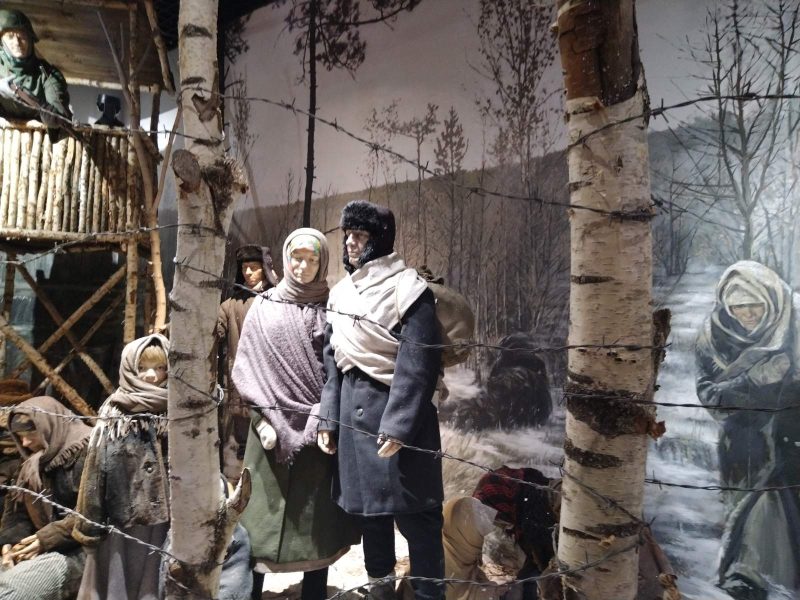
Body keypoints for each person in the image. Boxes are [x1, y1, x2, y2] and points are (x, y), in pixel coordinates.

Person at [317, 200, 444, 600]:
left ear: (380, 239)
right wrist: (328, 418)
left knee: (419, 522)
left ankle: (429, 595)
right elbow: (333, 364)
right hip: (355, 426)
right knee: (373, 520)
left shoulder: (408, 288)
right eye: (347, 235)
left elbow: (418, 361)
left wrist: (399, 425)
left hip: (402, 424)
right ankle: (380, 592)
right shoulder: (340, 294)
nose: (350, 243)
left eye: (360, 235)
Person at [233, 228, 359, 600]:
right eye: (297, 258)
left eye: (312, 260)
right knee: (259, 524)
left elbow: (340, 372)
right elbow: (248, 367)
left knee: (315, 529)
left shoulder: (333, 309)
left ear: (323, 263)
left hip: (317, 434)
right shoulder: (263, 307)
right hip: (268, 433)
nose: (303, 267)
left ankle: (314, 593)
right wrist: (262, 419)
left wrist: (326, 417)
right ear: (286, 259)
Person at [695, 260, 800, 600]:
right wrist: (755, 379)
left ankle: (749, 576)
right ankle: (748, 579)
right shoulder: (714, 337)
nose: (748, 314)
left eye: (755, 304)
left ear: (771, 300)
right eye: (738, 306)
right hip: (743, 443)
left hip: (791, 440)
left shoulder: (794, 324)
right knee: (747, 512)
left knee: (777, 509)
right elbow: (710, 396)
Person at [72, 334, 170, 600]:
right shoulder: (115, 412)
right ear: (129, 368)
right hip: (122, 519)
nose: (151, 376)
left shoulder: (180, 410)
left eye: (160, 367)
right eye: (142, 367)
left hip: (165, 521)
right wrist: (89, 526)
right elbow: (94, 473)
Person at [0, 396, 91, 600]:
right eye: (20, 436)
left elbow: (94, 514)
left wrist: (46, 538)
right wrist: (9, 544)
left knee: (11, 593)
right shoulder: (33, 463)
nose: (25, 443)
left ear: (49, 425)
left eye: (30, 434)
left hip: (84, 550)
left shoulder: (88, 453)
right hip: (44, 546)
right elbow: (18, 511)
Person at [216, 244, 277, 482]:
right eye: (244, 268)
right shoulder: (231, 305)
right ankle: (235, 486)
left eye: (254, 267)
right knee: (238, 443)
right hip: (239, 387)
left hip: (270, 387)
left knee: (267, 447)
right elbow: (216, 331)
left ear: (265, 269)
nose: (248, 273)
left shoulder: (278, 300)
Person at [0, 9, 71, 130]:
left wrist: (50, 116)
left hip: (37, 138)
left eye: (22, 36)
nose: (17, 42)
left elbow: (61, 117)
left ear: (30, 39)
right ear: (2, 42)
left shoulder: (48, 75)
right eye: (10, 37)